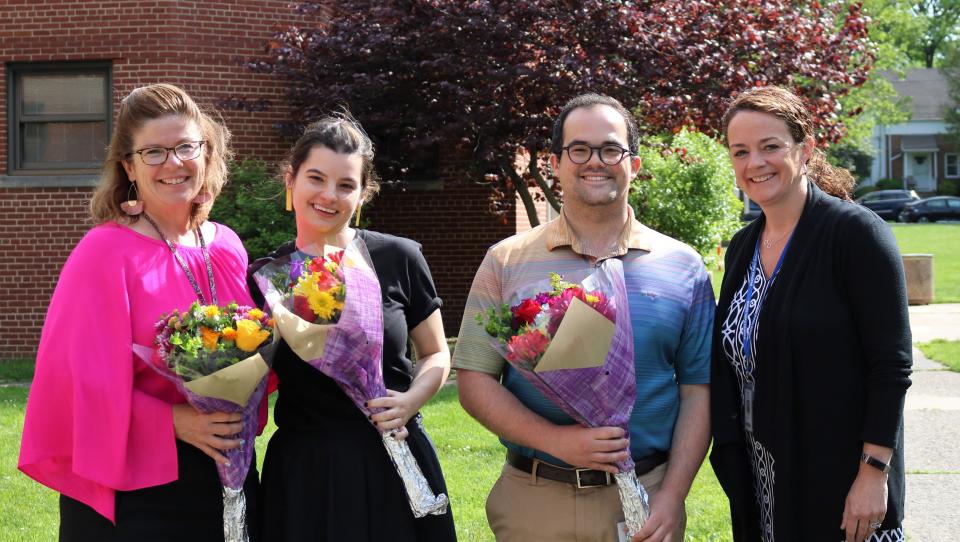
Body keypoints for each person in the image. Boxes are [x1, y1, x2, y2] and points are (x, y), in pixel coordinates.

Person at [453, 93, 714, 542]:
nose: (595, 161)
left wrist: (672, 496)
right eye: (579, 149)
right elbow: (474, 382)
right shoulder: (506, 261)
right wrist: (556, 442)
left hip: (647, 497)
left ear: (632, 164)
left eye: (610, 149)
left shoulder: (683, 266)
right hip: (535, 497)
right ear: (556, 163)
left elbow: (698, 390)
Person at [18, 83, 260, 540]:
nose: (173, 163)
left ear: (206, 153)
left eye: (186, 147)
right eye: (153, 152)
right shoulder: (103, 254)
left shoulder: (227, 246)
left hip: (228, 468)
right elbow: (76, 385)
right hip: (139, 484)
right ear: (128, 166)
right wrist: (174, 421)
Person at [711, 86, 912, 542]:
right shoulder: (743, 247)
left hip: (840, 478)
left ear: (805, 150)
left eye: (770, 147)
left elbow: (891, 365)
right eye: (740, 151)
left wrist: (873, 473)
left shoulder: (855, 233)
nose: (754, 163)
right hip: (762, 475)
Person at [248, 114, 457, 542]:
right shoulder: (266, 279)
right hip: (306, 473)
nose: (329, 195)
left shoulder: (399, 257)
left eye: (346, 185)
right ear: (291, 181)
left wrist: (410, 401)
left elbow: (436, 352)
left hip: (395, 456)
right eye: (316, 178)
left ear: (363, 194)